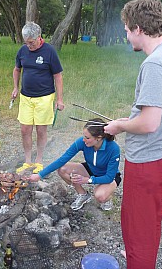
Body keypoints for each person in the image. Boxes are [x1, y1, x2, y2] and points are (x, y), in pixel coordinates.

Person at [103, 0, 162, 269]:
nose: (126, 35)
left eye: (127, 29)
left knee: (137, 232)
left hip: (149, 162)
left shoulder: (154, 64)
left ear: (139, 28)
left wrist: (119, 124)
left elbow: (149, 122)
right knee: (150, 222)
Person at [29, 118, 121, 211]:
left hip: (109, 176)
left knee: (100, 196)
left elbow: (109, 177)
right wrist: (40, 175)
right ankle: (83, 194)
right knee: (62, 169)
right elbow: (62, 160)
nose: (84, 140)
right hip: (91, 169)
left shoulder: (113, 148)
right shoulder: (82, 142)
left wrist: (88, 180)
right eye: (84, 136)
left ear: (99, 137)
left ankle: (107, 198)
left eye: (87, 138)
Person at [12, 22, 64, 174]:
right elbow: (17, 69)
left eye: (31, 42)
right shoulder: (22, 51)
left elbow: (58, 76)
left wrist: (59, 99)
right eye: (26, 42)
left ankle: (39, 161)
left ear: (39, 37)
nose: (29, 46)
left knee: (41, 130)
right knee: (25, 129)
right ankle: (28, 161)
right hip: (26, 97)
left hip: (45, 97)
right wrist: (15, 87)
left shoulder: (49, 51)